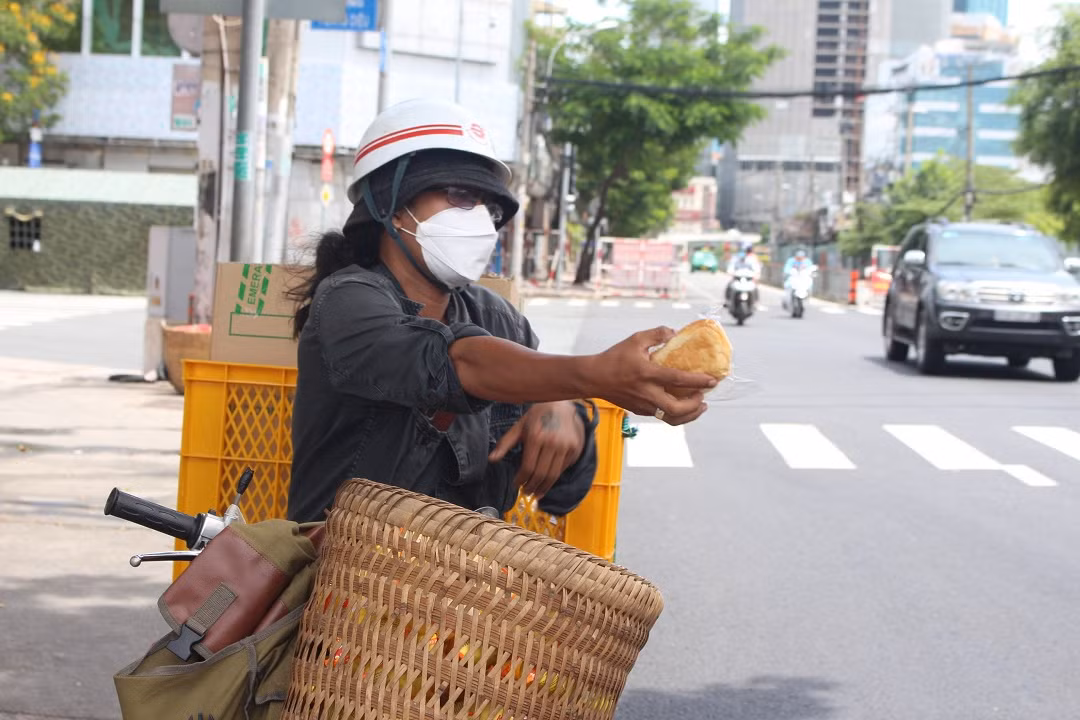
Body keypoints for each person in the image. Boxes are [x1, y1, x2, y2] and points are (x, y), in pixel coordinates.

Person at [285, 99, 717, 524]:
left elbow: (563, 494)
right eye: (458, 195)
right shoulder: (347, 301)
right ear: (391, 203)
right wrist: (596, 375)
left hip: (464, 583)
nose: (478, 220)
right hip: (344, 579)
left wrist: (566, 413)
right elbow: (454, 363)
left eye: (487, 206)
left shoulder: (496, 317)